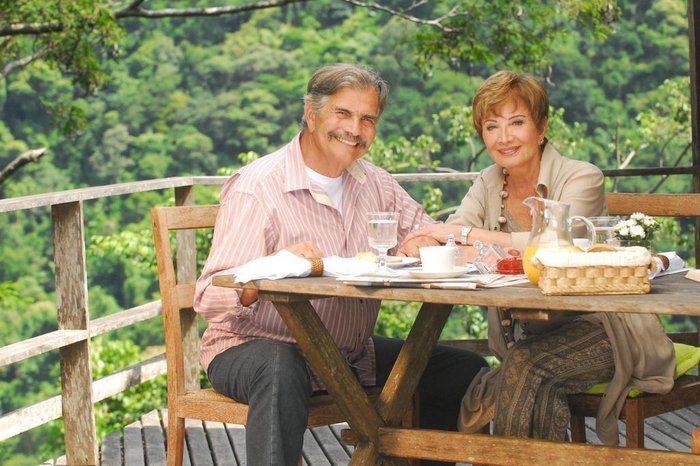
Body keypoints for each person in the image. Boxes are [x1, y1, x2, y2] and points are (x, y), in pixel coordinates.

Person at [194, 63, 488, 465]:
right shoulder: (257, 187)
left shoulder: (376, 183)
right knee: (281, 369)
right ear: (311, 113)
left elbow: (433, 233)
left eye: (368, 118)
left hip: (346, 355)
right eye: (343, 114)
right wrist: (268, 268)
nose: (355, 128)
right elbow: (209, 296)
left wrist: (419, 240)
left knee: (462, 369)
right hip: (251, 349)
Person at [400, 70, 675, 445]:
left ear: (541, 127)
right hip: (525, 338)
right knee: (532, 375)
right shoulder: (488, 181)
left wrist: (459, 235)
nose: (504, 137)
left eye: (517, 122)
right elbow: (445, 236)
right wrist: (426, 242)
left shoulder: (583, 177)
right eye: (492, 126)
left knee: (527, 367)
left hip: (608, 330)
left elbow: (551, 248)